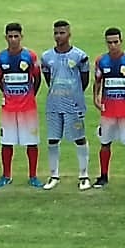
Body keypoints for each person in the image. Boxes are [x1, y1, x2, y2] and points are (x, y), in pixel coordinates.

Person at [40, 20, 91, 191]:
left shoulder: (80, 56)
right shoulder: (46, 57)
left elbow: (85, 80)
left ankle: (84, 176)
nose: (58, 36)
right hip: (53, 104)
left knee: (79, 138)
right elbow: (48, 79)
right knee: (53, 139)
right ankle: (54, 175)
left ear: (69, 34)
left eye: (62, 33)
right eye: (56, 33)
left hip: (74, 104)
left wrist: (73, 93)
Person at [93, 27, 125, 188]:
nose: (113, 46)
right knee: (105, 142)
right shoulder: (101, 61)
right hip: (108, 110)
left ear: (121, 41)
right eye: (109, 43)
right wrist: (96, 98)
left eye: (116, 42)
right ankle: (103, 176)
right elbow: (98, 81)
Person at [0, 22, 42, 188]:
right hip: (9, 108)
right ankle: (6, 175)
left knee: (31, 142)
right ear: (5, 37)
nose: (13, 40)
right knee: (7, 142)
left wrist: (28, 96)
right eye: (10, 36)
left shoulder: (30, 56)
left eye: (16, 36)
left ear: (21, 37)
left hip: (27, 108)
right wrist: (9, 95)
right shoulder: (0, 57)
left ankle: (33, 176)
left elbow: (37, 79)